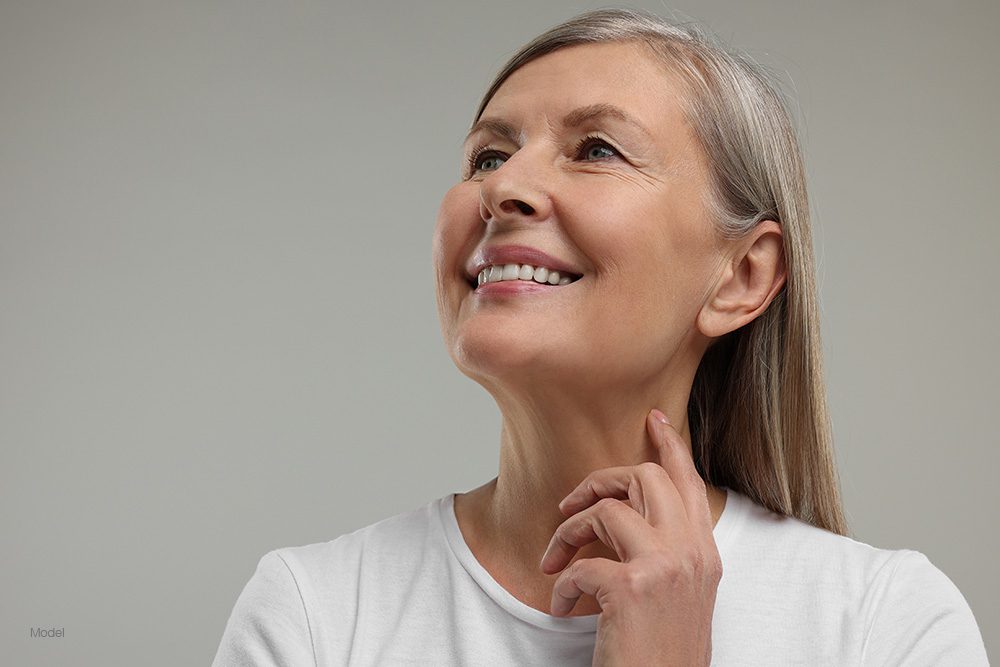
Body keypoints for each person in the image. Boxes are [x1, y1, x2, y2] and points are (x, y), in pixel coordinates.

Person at [212, 7, 988, 665]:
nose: (504, 187)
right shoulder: (310, 615)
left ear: (743, 277)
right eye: (489, 154)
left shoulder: (887, 626)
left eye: (596, 150)